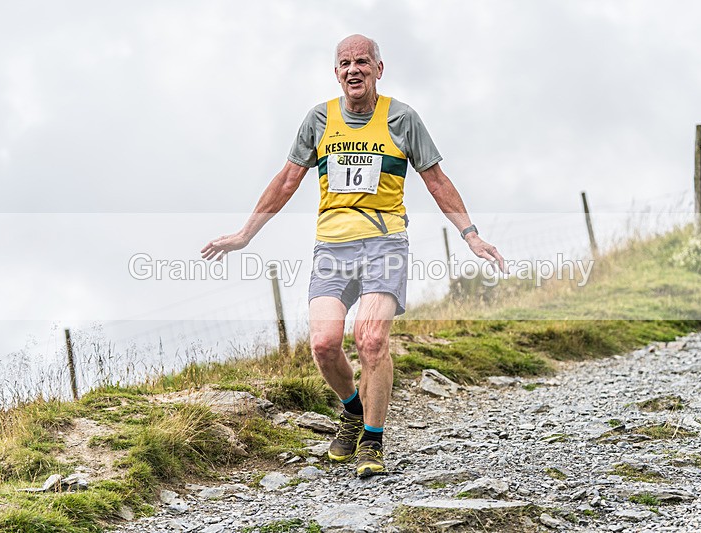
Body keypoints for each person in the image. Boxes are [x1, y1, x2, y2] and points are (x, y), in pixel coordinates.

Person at [202, 34, 505, 477]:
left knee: (371, 339)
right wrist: (245, 234)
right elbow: (287, 180)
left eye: (362, 61)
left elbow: (436, 180)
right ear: (336, 72)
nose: (353, 70)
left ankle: (373, 441)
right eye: (344, 63)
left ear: (379, 69)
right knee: (324, 345)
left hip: (386, 243)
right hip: (332, 245)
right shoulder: (319, 119)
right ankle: (352, 410)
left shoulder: (402, 118)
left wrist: (470, 235)